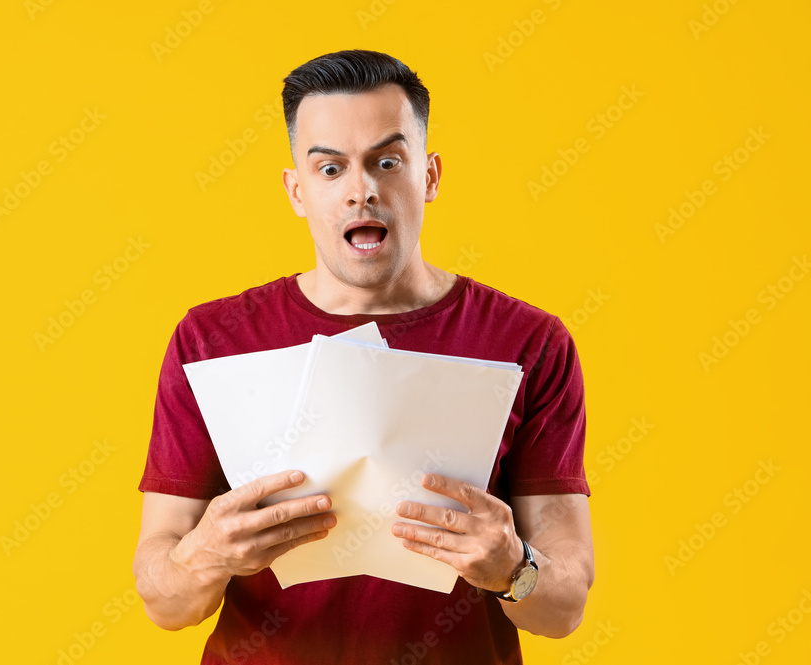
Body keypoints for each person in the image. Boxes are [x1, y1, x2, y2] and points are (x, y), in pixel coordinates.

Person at [133, 49, 594, 664]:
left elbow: (563, 610)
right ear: (297, 191)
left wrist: (514, 567)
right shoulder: (210, 341)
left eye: (387, 162)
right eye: (330, 169)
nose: (362, 191)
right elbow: (166, 605)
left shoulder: (530, 343)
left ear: (429, 176)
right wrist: (205, 555)